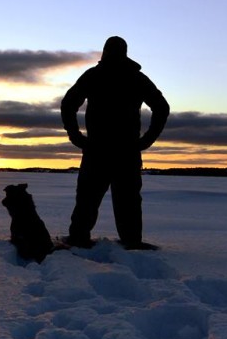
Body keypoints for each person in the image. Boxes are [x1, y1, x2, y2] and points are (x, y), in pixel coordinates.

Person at [61, 36, 170, 249]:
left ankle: (81, 238)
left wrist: (75, 135)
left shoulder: (97, 75)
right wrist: (147, 139)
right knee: (116, 200)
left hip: (104, 150)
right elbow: (68, 104)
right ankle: (127, 241)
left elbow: (68, 104)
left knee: (94, 198)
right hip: (118, 150)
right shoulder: (133, 77)